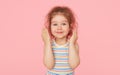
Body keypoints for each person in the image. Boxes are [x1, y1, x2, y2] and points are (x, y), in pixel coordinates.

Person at [41, 6, 80, 75]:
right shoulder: (49, 45)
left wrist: (71, 43)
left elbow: (74, 65)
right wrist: (47, 42)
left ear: (70, 26)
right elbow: (49, 65)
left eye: (63, 24)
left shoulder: (74, 44)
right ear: (50, 27)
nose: (59, 28)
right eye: (55, 24)